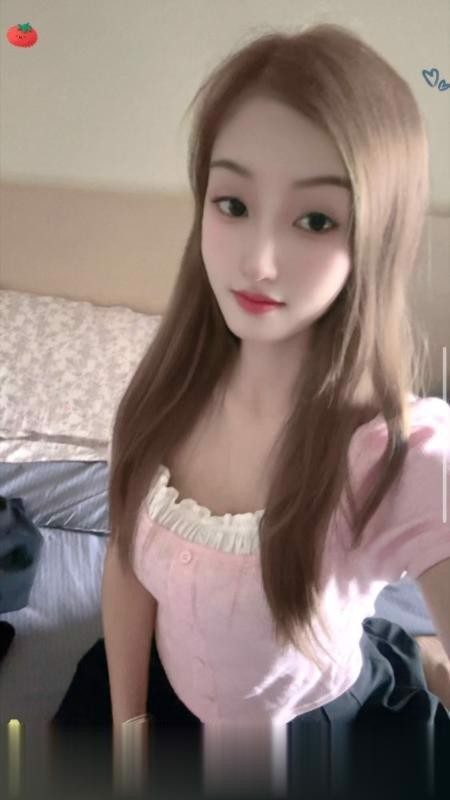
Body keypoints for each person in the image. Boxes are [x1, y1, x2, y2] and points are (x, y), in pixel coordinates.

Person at [52, 22, 450, 800]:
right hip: (162, 694)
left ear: (375, 236)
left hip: (316, 729)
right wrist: (130, 728)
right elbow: (127, 564)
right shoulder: (163, 394)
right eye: (232, 203)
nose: (258, 261)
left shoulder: (397, 455)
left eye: (315, 220)